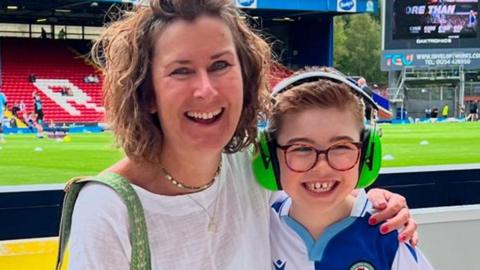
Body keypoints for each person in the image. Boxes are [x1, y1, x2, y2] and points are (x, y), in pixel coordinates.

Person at [65, 1, 417, 269]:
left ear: (246, 77)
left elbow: (321, 182)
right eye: (180, 71)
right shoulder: (107, 209)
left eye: (220, 65)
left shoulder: (254, 169)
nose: (205, 90)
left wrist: (380, 204)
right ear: (148, 93)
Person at [267, 70, 433, 269]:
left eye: (341, 147)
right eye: (301, 148)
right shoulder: (258, 226)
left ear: (366, 154)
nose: (322, 166)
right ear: (270, 156)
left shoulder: (388, 238)